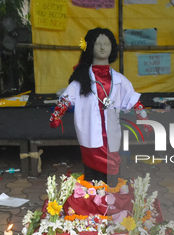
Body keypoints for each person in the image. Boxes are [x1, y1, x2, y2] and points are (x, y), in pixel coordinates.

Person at [49, 28, 148, 184]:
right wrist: (57, 115)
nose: (103, 47)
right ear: (90, 47)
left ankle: (112, 201)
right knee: (91, 173)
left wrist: (144, 119)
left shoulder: (119, 79)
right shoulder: (82, 79)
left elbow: (133, 99)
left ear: (112, 48)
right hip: (89, 132)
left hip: (111, 134)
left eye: (107, 44)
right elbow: (66, 99)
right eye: (98, 44)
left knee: (112, 169)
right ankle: (93, 203)